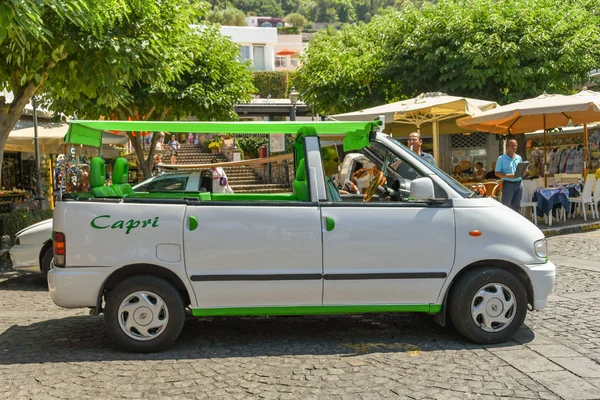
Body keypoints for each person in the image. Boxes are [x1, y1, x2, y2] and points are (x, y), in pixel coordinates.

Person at [495, 139, 527, 212]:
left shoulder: (519, 157)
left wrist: (524, 172)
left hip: (519, 183)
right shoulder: (501, 159)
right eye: (512, 146)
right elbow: (497, 173)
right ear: (507, 147)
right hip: (508, 184)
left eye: (516, 146)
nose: (514, 147)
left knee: (517, 206)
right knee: (506, 205)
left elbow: (520, 170)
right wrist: (507, 176)